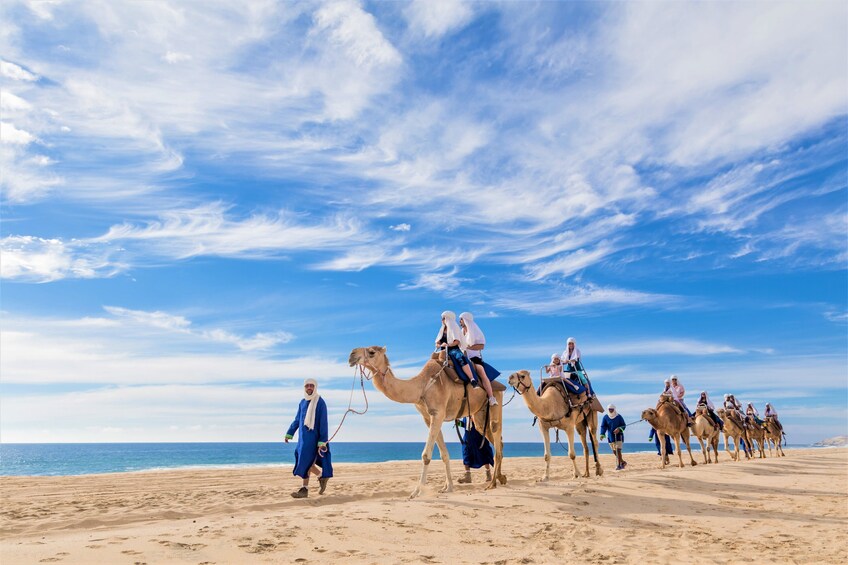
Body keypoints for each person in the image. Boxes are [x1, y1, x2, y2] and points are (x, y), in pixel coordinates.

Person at [285, 378, 333, 498]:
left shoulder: (320, 402)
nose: (309, 388)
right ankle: (320, 477)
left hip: (314, 439)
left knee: (306, 463)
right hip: (302, 439)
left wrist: (322, 440)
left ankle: (305, 489)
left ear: (315, 387)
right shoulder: (302, 402)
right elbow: (297, 420)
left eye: (312, 385)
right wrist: (289, 433)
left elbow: (323, 422)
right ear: (304, 388)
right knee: (306, 463)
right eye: (307, 386)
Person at [458, 311, 498, 406]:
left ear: (466, 320)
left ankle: (491, 397)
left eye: (461, 319)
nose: (460, 321)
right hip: (463, 356)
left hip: (474, 357)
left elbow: (481, 346)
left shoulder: (475, 331)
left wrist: (468, 347)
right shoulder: (461, 332)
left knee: (481, 372)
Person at [457, 417, 494, 484]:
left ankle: (488, 475)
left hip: (479, 437)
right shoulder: (465, 415)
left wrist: (474, 419)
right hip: (468, 439)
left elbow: (483, 424)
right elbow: (464, 425)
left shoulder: (477, 412)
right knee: (466, 455)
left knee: (484, 454)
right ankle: (467, 477)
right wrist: (458, 422)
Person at [600, 404, 627, 471]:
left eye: (612, 409)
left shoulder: (619, 416)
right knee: (614, 452)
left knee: (618, 450)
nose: (611, 411)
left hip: (619, 436)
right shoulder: (605, 417)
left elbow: (624, 425)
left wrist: (619, 429)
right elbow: (603, 426)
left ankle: (619, 465)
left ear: (614, 409)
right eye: (609, 409)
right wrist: (602, 434)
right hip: (610, 437)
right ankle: (623, 462)